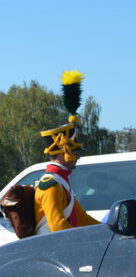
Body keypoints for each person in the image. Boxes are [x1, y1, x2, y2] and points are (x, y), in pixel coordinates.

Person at [34, 71, 101, 234]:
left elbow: (81, 217)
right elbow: (57, 226)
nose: (78, 156)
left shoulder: (60, 181)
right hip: (52, 250)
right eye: (75, 151)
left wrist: (106, 231)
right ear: (65, 151)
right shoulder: (50, 184)